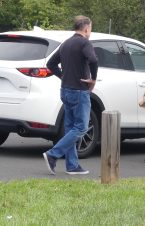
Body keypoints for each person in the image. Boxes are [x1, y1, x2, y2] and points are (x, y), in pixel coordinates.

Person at [43, 15, 98, 175]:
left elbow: (50, 63)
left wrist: (63, 76)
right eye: (90, 29)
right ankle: (52, 154)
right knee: (81, 127)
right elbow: (93, 60)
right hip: (79, 91)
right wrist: (93, 80)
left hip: (65, 90)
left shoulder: (66, 43)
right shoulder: (84, 43)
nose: (90, 32)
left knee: (70, 128)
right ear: (86, 28)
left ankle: (72, 165)